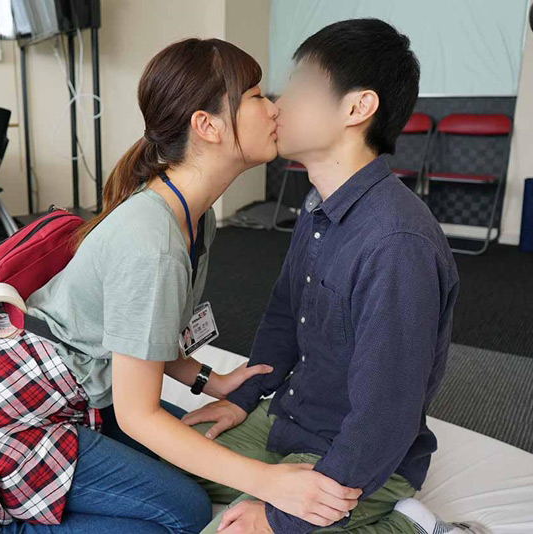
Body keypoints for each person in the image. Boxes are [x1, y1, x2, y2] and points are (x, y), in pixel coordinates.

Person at [0, 37, 363, 534]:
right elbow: (140, 416)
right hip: (10, 416)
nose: (275, 108)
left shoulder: (193, 216)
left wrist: (211, 380)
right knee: (183, 514)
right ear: (207, 126)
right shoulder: (152, 241)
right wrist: (270, 483)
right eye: (256, 97)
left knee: (191, 465)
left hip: (79, 393)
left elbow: (137, 333)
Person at [182, 19, 470, 534]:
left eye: (301, 87)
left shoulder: (397, 244)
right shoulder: (319, 205)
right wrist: (242, 399)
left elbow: (385, 416)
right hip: (289, 421)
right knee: (165, 475)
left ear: (357, 108)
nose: (278, 105)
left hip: (355, 457)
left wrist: (279, 519)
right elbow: (283, 318)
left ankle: (412, 526)